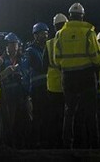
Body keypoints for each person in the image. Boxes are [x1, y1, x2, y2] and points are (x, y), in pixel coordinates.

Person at [55, 2, 100, 148]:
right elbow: (96, 57)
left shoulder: (60, 33)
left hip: (68, 77)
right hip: (86, 75)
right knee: (90, 113)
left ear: (70, 16)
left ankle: (67, 144)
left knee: (69, 113)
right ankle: (93, 145)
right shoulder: (88, 31)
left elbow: (56, 59)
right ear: (82, 16)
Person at [22, 22, 51, 147]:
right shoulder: (31, 51)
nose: (45, 36)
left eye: (46, 33)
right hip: (37, 88)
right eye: (42, 34)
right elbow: (38, 66)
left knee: (47, 115)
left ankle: (46, 140)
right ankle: (35, 142)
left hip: (49, 86)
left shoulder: (48, 48)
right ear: (35, 35)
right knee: (38, 115)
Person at [0, 32, 27, 147]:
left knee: (23, 120)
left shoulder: (22, 59)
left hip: (21, 93)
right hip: (8, 95)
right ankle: (9, 144)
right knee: (9, 121)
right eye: (10, 44)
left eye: (15, 44)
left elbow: (27, 74)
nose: (13, 46)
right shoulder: (1, 60)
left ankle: (22, 144)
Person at [44, 13, 67, 148]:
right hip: (69, 84)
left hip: (53, 85)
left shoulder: (49, 43)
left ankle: (54, 143)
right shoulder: (71, 40)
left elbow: (43, 64)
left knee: (54, 116)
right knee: (68, 116)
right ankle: (68, 143)